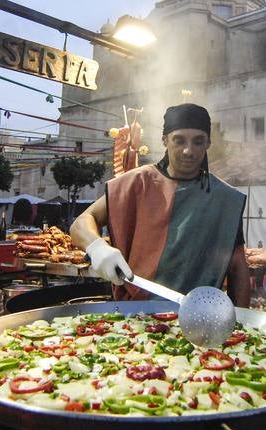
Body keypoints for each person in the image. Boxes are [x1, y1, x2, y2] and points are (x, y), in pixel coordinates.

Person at [70, 103, 250, 307]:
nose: (188, 151)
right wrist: (98, 247)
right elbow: (81, 223)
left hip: (197, 316)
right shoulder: (136, 183)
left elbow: (237, 267)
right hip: (133, 313)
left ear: (208, 143)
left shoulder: (224, 198)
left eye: (198, 142)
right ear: (165, 140)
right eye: (179, 140)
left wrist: (241, 322)